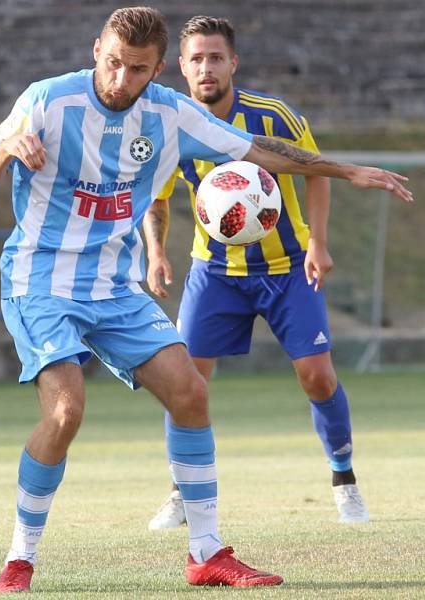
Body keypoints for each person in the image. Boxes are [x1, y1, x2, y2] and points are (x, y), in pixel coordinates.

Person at [0, 7, 410, 592]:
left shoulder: (168, 113)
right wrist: (8, 149)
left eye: (137, 70)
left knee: (190, 392)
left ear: (157, 71)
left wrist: (346, 170)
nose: (121, 80)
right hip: (39, 280)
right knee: (65, 410)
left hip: (113, 285)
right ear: (95, 49)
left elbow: (259, 151)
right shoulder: (48, 99)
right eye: (112, 64)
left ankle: (206, 553)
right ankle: (18, 561)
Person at [144, 16, 370, 532]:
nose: (206, 68)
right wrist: (156, 252)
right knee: (185, 381)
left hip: (289, 269)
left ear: (233, 63)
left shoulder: (274, 117)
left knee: (316, 376)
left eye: (215, 57)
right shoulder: (171, 126)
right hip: (215, 273)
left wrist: (317, 240)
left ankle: (345, 481)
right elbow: (154, 200)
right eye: (196, 59)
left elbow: (318, 171)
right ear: (181, 66)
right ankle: (182, 490)